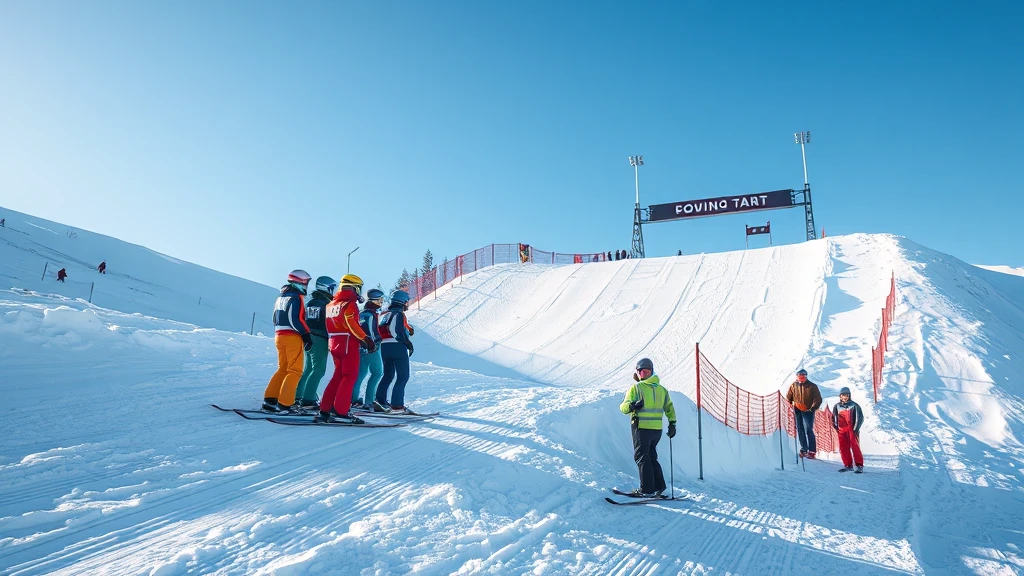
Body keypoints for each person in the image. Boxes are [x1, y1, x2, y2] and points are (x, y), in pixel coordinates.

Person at [317, 274, 377, 424]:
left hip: (334, 342)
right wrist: (365, 339)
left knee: (338, 376)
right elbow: (351, 323)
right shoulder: (349, 303)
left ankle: (325, 410)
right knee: (349, 376)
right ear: (354, 287)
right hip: (348, 342)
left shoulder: (331, 304)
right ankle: (341, 412)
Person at [619, 358, 676, 497]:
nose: (642, 374)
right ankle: (659, 486)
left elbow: (623, 408)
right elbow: (669, 407)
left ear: (651, 371)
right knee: (650, 457)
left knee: (641, 457)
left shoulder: (636, 388)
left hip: (641, 428)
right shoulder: (662, 390)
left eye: (645, 371)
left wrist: (632, 406)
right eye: (640, 371)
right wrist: (672, 423)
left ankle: (646, 490)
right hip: (656, 430)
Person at [262, 270, 313, 414]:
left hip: (279, 335)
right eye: (306, 282)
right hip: (292, 336)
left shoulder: (281, 296)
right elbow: (296, 319)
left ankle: (270, 400)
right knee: (295, 371)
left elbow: (274, 317)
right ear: (301, 282)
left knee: (283, 368)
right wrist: (306, 334)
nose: (307, 285)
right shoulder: (296, 297)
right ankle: (285, 404)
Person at [294, 276, 336, 410]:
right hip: (320, 337)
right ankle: (308, 400)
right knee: (318, 369)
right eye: (332, 289)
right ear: (327, 288)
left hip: (308, 337)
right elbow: (329, 322)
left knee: (309, 369)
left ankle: (298, 396)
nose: (333, 292)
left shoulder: (311, 302)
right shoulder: (326, 304)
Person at [374, 290, 415, 413]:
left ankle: (379, 401)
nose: (408, 304)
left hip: (385, 347)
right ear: (402, 302)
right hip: (397, 346)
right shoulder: (399, 314)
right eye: (407, 302)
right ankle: (397, 406)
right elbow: (396, 330)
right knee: (403, 376)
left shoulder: (385, 314)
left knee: (388, 375)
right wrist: (408, 343)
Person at [352, 288, 385, 409]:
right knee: (377, 373)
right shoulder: (370, 314)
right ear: (374, 300)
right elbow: (370, 332)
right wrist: (373, 343)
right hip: (371, 347)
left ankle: (353, 400)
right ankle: (369, 401)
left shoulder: (363, 313)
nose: (381, 302)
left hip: (361, 347)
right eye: (380, 299)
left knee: (361, 373)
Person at [785, 368, 823, 459]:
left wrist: (813, 408)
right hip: (797, 409)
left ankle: (812, 451)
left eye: (803, 376)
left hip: (808, 410)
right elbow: (789, 396)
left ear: (806, 377)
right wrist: (790, 404)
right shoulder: (794, 385)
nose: (802, 378)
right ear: (797, 377)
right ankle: (804, 449)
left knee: (809, 429)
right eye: (800, 376)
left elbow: (818, 399)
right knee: (800, 429)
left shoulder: (812, 386)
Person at [832, 387, 865, 473]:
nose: (845, 397)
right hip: (842, 430)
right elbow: (834, 417)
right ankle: (848, 465)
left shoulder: (854, 405)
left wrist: (856, 429)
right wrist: (836, 427)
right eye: (843, 395)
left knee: (855, 446)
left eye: (847, 395)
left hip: (852, 429)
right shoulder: (837, 406)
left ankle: (859, 465)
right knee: (843, 447)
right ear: (840, 396)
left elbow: (860, 418)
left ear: (849, 396)